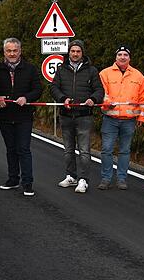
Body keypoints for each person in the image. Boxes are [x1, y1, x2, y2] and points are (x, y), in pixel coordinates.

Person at [50, 39, 104, 194]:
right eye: (72, 51)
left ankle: (83, 180)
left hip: (84, 116)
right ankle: (71, 176)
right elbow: (53, 87)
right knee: (68, 150)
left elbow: (99, 90)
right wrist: (62, 99)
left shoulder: (91, 70)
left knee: (85, 151)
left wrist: (92, 99)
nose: (75, 54)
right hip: (66, 115)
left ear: (82, 53)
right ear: (69, 52)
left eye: (78, 51)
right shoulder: (61, 69)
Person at [0, 38, 42, 197]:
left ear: (20, 51)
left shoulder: (30, 69)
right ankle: (13, 179)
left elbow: (38, 89)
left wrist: (27, 98)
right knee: (10, 149)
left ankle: (27, 183)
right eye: (9, 51)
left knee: (23, 149)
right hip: (4, 116)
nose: (12, 54)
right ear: (4, 52)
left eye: (15, 50)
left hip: (24, 116)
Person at [97, 45, 144, 190]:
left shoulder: (138, 76)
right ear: (116, 57)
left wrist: (141, 118)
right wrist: (107, 104)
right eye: (120, 54)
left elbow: (143, 98)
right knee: (106, 149)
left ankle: (121, 179)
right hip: (110, 119)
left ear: (129, 58)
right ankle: (106, 178)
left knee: (124, 150)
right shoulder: (105, 73)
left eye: (125, 54)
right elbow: (101, 92)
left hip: (129, 120)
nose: (122, 57)